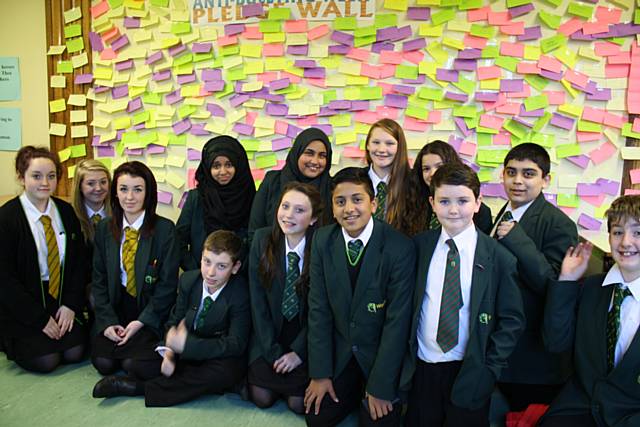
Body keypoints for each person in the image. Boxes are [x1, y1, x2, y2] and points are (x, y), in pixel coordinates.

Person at [402, 163, 524, 427]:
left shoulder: (499, 257)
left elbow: (512, 321)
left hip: (471, 368)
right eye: (444, 201)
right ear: (432, 202)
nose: (454, 209)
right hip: (423, 366)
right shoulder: (418, 247)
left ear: (478, 203)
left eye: (463, 200)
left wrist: (489, 370)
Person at [304, 167, 414, 427]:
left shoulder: (399, 247)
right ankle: (350, 390)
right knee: (317, 419)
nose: (349, 208)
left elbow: (397, 323)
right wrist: (320, 374)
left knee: (378, 423)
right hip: (341, 353)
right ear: (332, 207)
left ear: (373, 204)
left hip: (379, 357)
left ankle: (368, 389)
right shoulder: (322, 240)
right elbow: (318, 309)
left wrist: (381, 386)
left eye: (357, 199)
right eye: (340, 202)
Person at [92, 230, 251, 407]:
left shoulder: (240, 293)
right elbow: (173, 322)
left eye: (221, 266)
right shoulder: (189, 280)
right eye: (207, 262)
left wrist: (186, 347)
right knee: (135, 364)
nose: (211, 272)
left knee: (225, 372)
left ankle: (136, 387)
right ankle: (201, 381)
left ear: (235, 267)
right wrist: (169, 353)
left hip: (216, 354)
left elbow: (235, 343)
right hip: (183, 350)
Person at [539, 195, 640, 427]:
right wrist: (566, 281)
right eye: (617, 232)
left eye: (638, 233)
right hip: (581, 407)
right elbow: (555, 343)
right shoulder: (593, 288)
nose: (625, 242)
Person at [491, 143, 578, 411]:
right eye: (511, 172)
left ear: (546, 179)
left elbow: (554, 284)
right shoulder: (497, 216)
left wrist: (516, 238)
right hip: (496, 349)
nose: (517, 181)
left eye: (528, 174)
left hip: (531, 360)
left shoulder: (559, 223)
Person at [90, 161, 179, 393]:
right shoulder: (105, 229)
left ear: (148, 193)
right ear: (115, 193)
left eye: (138, 189)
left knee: (133, 365)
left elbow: (168, 286)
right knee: (103, 363)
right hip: (116, 306)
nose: (130, 197)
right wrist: (108, 321)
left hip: (147, 310)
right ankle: (116, 337)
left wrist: (142, 321)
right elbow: (98, 280)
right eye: (123, 189)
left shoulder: (164, 229)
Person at [0, 146, 87, 373]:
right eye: (36, 176)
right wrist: (40, 319)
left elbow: (79, 265)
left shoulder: (66, 212)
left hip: (58, 297)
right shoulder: (7, 218)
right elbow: (5, 280)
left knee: (75, 351)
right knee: (47, 360)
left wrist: (70, 305)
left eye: (51, 176)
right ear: (21, 177)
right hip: (24, 301)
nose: (45, 183)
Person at [248, 182, 323, 414]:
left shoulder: (321, 245)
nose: (289, 215)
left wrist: (299, 353)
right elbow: (257, 301)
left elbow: (321, 310)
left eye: (299, 210)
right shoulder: (262, 240)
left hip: (305, 335)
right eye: (285, 206)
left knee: (298, 404)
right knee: (262, 398)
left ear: (312, 219)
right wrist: (272, 350)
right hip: (269, 334)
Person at [176, 135, 255, 271]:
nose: (223, 171)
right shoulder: (196, 198)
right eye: (216, 165)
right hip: (202, 279)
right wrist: (197, 271)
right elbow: (178, 242)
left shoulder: (252, 198)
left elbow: (256, 243)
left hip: (241, 278)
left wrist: (238, 271)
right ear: (207, 168)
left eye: (229, 165)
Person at [248, 127, 332, 240]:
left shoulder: (332, 188)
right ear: (297, 153)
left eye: (322, 155)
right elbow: (255, 230)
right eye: (309, 153)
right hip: (272, 254)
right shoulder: (272, 181)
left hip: (318, 256)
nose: (315, 161)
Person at [413, 140, 493, 234]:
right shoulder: (414, 203)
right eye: (426, 169)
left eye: (439, 166)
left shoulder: (479, 211)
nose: (432, 173)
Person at [363, 119, 423, 236]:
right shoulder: (355, 180)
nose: (381, 149)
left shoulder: (413, 183)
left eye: (389, 143)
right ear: (368, 145)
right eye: (376, 142)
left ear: (399, 147)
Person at [72, 159, 111, 246]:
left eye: (103, 182)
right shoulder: (71, 217)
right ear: (79, 186)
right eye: (91, 183)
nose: (98, 188)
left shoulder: (118, 213)